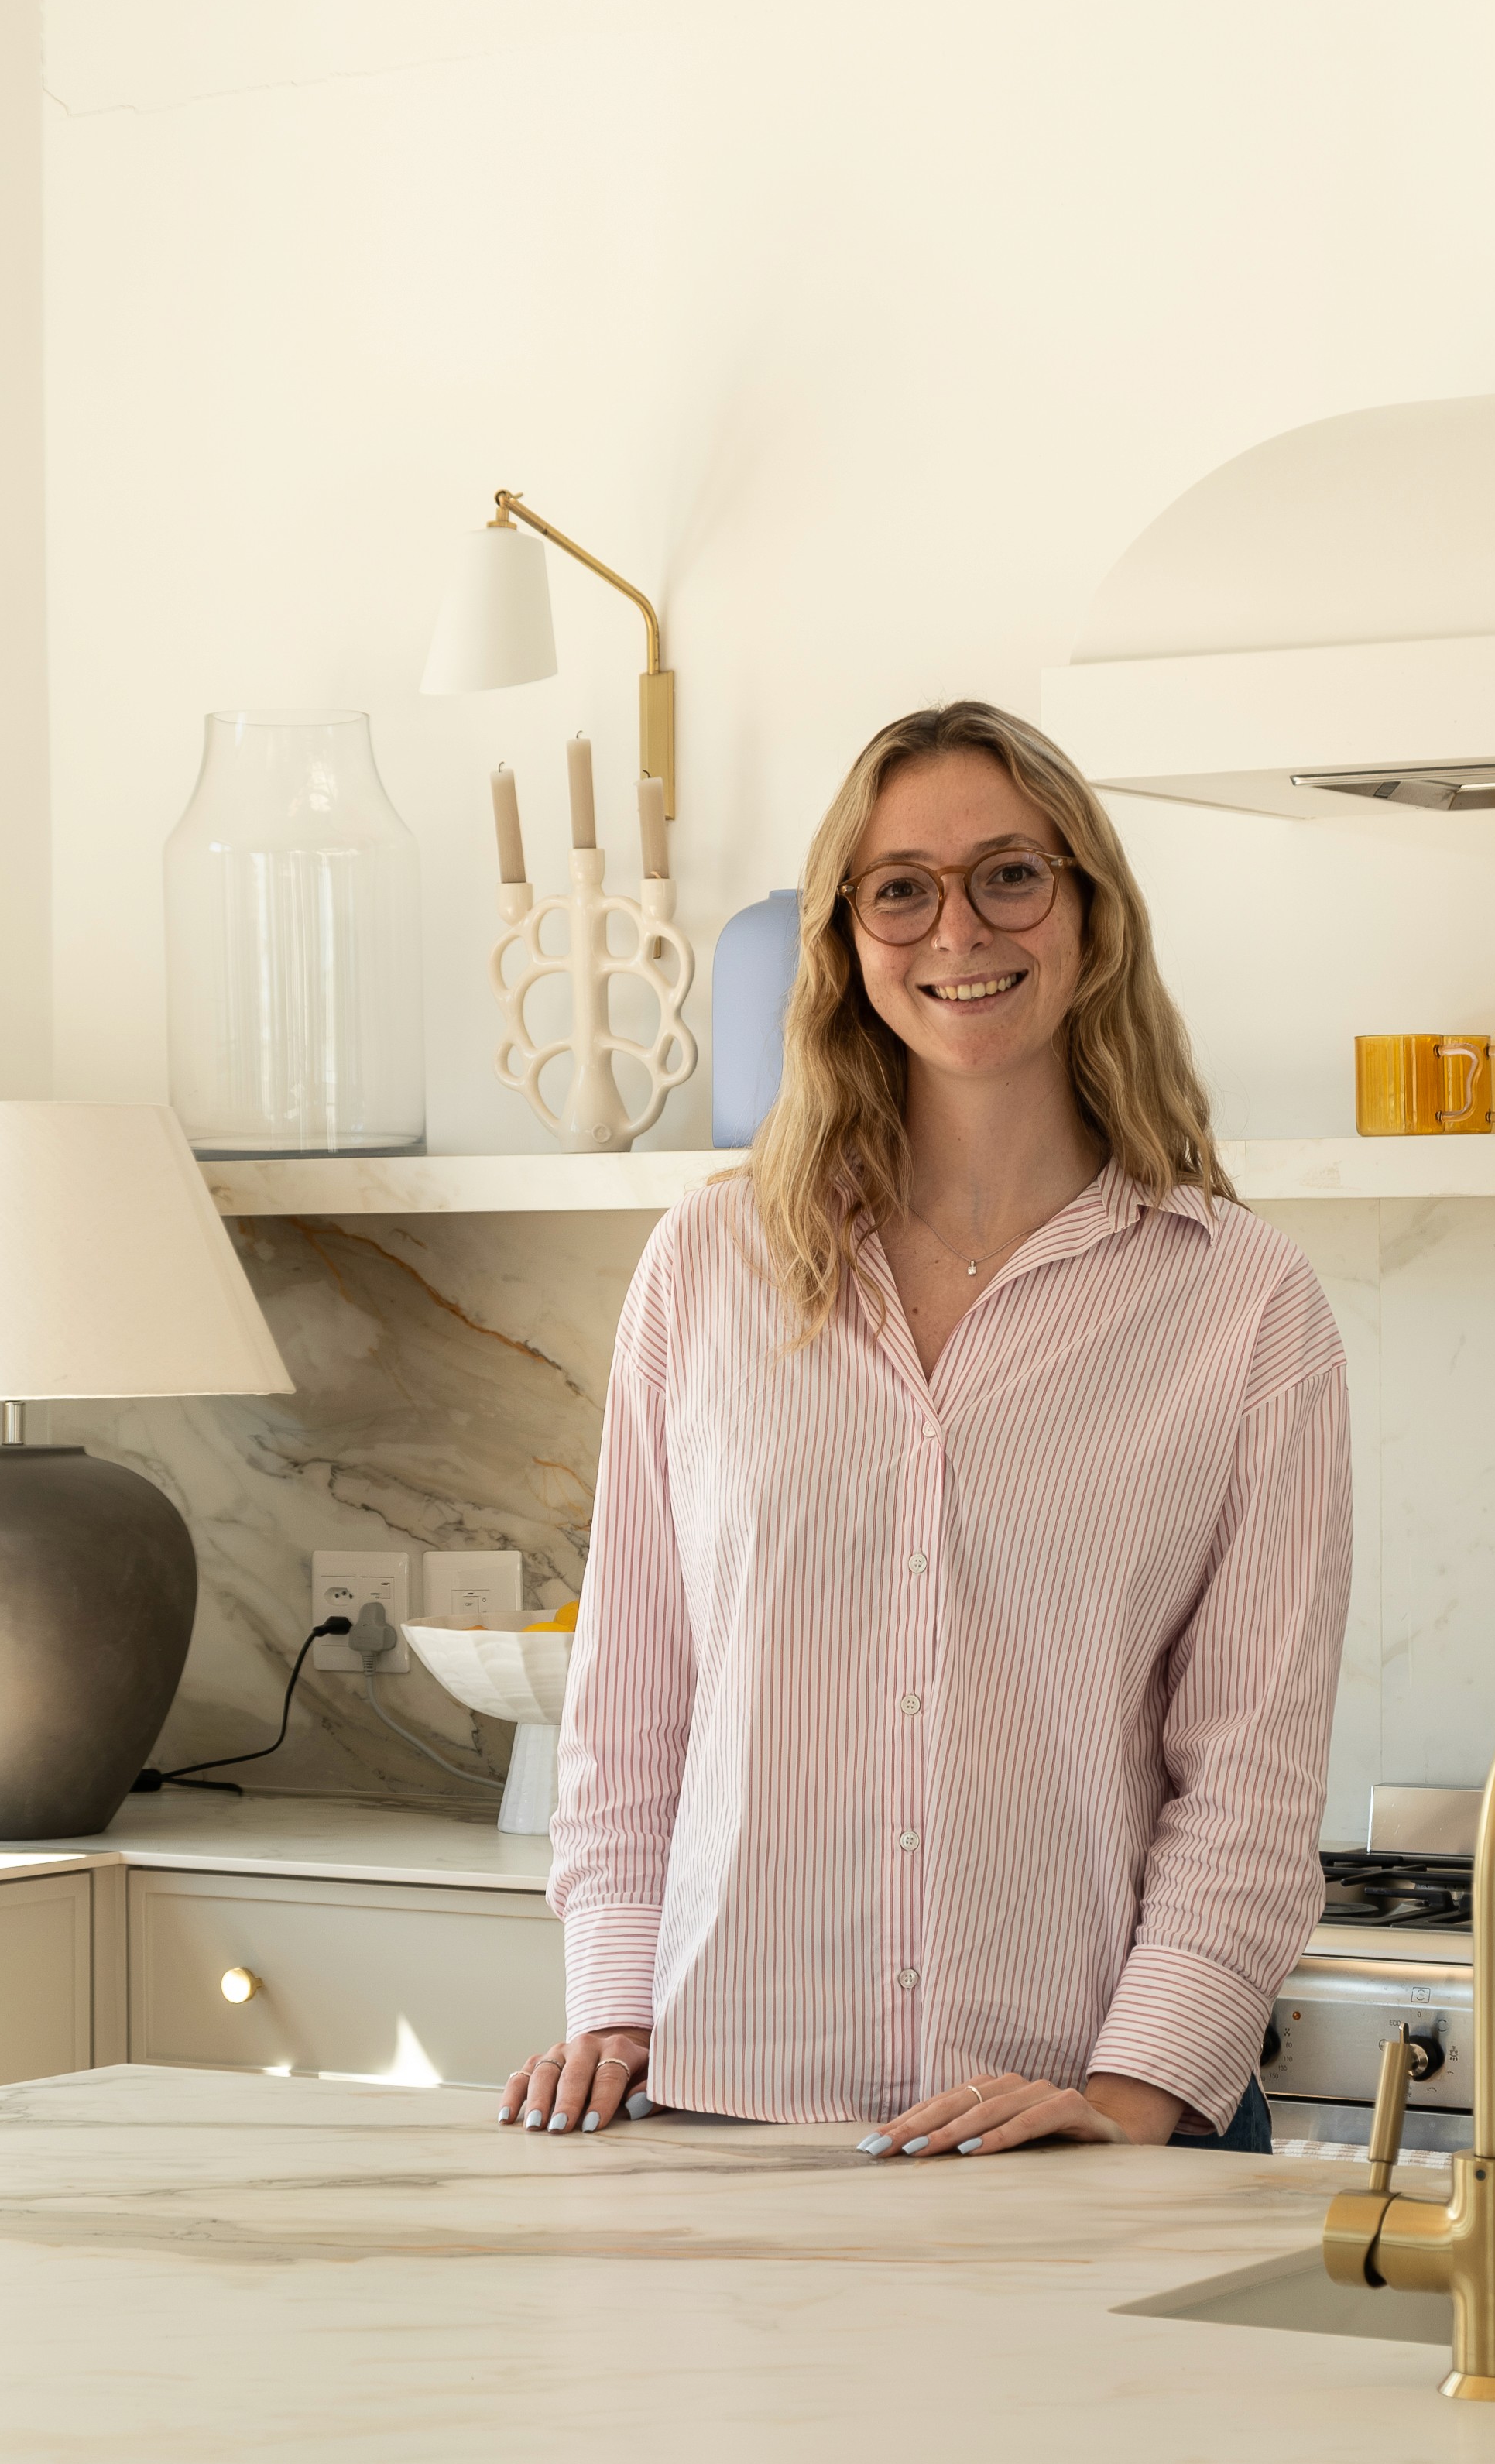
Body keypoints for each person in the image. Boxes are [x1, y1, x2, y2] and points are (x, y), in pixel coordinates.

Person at [505, 702, 1350, 2160]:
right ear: (846, 937)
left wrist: (1132, 2097)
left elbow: (1251, 1781)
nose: (956, 928)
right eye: (901, 887)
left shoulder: (1243, 1303)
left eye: (1010, 874)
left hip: (1078, 2123)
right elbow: (630, 1713)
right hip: (730, 2108)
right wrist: (618, 2013)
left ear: (1088, 911)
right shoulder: (706, 1266)